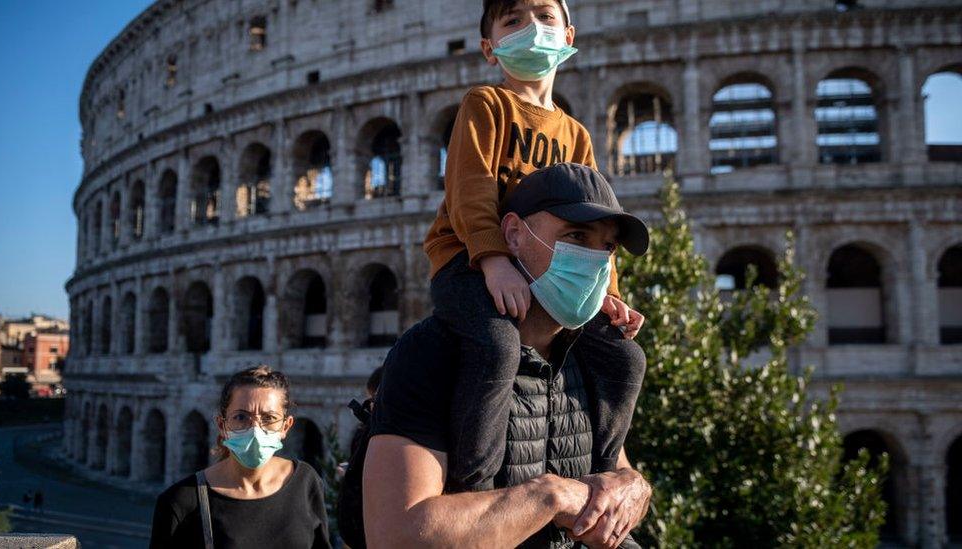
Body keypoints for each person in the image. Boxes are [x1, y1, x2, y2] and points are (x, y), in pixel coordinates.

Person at [357, 164, 653, 548]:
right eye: (576, 235)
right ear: (513, 234)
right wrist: (550, 497)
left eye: (608, 247)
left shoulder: (596, 357)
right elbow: (397, 537)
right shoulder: (431, 354)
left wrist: (636, 488)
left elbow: (616, 477)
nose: (594, 262)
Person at [423, 0, 648, 492]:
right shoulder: (486, 104)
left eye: (545, 17)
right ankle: (475, 484)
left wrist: (605, 289)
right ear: (490, 48)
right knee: (498, 344)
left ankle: (605, 472)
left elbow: (597, 220)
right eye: (513, 20)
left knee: (624, 358)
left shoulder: (576, 134)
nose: (531, 28)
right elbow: (471, 189)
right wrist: (493, 260)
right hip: (465, 259)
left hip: (541, 269)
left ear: (569, 36)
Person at [150, 366, 331, 548]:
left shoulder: (306, 482)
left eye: (269, 418)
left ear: (286, 426)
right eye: (241, 417)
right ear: (222, 425)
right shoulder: (180, 502)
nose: (255, 430)